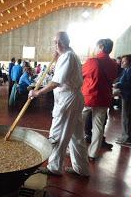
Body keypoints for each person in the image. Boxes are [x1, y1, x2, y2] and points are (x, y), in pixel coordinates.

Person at [29, 32, 89, 176]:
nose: (56, 45)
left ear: (65, 42)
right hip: (72, 98)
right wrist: (58, 57)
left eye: (58, 42)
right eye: (55, 42)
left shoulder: (68, 56)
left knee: (58, 133)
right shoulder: (69, 55)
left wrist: (37, 93)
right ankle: (81, 169)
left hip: (67, 100)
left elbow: (56, 82)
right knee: (76, 136)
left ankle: (54, 168)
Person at [82, 39, 118, 160]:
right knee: (98, 127)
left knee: (77, 124)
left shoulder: (92, 61)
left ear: (101, 47)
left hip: (89, 97)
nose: (95, 49)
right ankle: (93, 154)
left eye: (96, 46)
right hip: (104, 98)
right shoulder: (113, 64)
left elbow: (81, 75)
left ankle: (73, 148)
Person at [115, 54, 131, 146]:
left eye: (124, 61)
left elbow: (128, 84)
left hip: (129, 98)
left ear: (130, 62)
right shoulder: (127, 70)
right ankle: (125, 136)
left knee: (127, 118)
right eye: (122, 61)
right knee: (125, 118)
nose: (122, 63)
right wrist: (118, 83)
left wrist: (118, 85)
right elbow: (122, 81)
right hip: (126, 96)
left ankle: (127, 139)